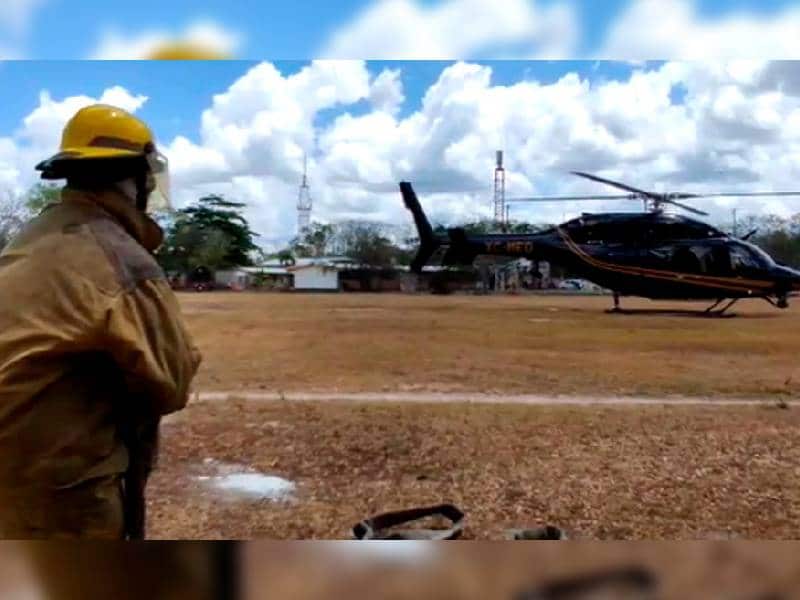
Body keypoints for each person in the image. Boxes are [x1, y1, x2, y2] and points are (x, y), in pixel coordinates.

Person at [0, 104, 201, 539]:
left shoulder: (31, 237)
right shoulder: (121, 258)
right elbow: (172, 381)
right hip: (56, 493)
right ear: (139, 179)